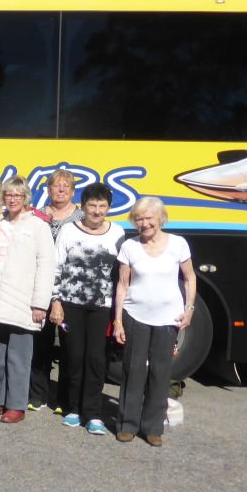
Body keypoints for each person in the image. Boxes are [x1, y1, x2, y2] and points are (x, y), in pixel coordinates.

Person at [114, 197, 196, 447]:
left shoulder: (178, 244)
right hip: (135, 315)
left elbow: (189, 278)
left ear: (161, 218)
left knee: (160, 372)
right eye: (139, 219)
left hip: (168, 318)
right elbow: (122, 285)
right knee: (133, 370)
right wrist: (118, 320)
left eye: (149, 218)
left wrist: (189, 308)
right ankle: (127, 424)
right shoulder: (129, 247)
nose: (144, 223)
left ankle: (152, 427)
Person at [49, 182, 125, 436]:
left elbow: (122, 275)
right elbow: (56, 267)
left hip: (102, 307)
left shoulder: (117, 233)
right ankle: (72, 408)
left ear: (108, 208)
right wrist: (56, 302)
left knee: (96, 359)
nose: (97, 211)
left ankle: (93, 413)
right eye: (92, 205)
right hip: (71, 305)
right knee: (73, 356)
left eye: (102, 206)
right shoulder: (68, 231)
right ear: (83, 207)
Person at [0, 177, 55, 424]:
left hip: (24, 300)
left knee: (19, 357)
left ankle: (17, 405)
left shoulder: (38, 226)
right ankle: (2, 400)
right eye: (9, 195)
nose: (12, 199)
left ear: (26, 198)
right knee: (0, 354)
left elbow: (46, 265)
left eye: (17, 195)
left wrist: (40, 303)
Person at [31, 168, 85, 411]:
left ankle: (64, 399)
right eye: (56, 185)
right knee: (39, 343)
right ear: (48, 189)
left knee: (69, 346)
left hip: (70, 289)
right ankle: (37, 395)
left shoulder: (82, 217)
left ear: (73, 191)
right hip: (41, 285)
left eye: (66, 186)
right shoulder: (38, 215)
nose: (61, 189)